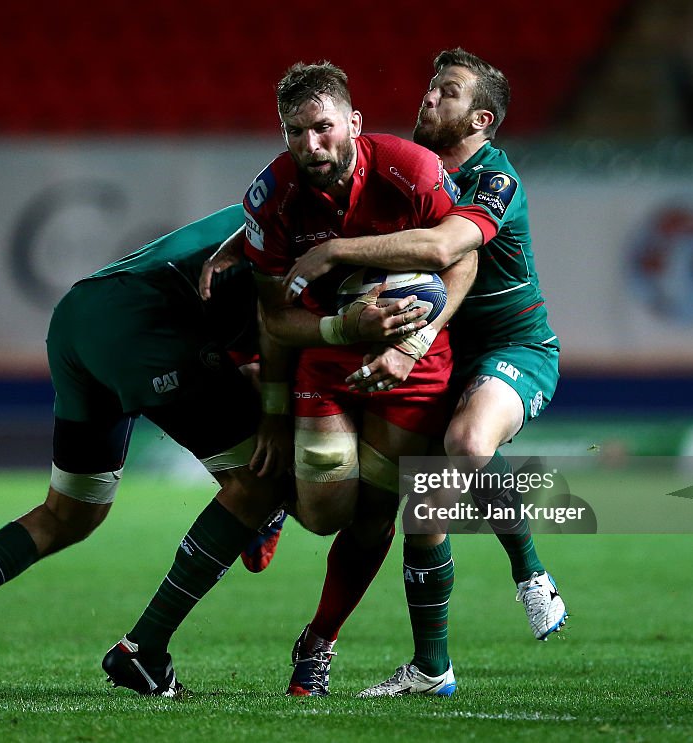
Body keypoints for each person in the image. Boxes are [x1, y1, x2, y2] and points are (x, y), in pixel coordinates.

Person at [0, 204, 292, 698]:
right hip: (144, 325)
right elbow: (275, 331)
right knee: (260, 482)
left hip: (81, 317)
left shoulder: (273, 201)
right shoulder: (318, 223)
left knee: (70, 513)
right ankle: (144, 650)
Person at [281, 49, 568, 697]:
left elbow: (444, 248)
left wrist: (334, 252)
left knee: (468, 443)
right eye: (430, 87)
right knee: (419, 508)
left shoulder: (497, 181)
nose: (429, 98)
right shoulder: (415, 172)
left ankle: (530, 573)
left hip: (514, 349)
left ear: (482, 119)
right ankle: (431, 668)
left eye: (448, 92)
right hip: (439, 355)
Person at [239, 61, 480, 697]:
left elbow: (462, 257)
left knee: (375, 515)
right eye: (295, 134)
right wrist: (336, 338)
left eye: (322, 128)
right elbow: (274, 317)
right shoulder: (273, 197)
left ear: (354, 122)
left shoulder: (412, 170)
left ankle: (318, 642)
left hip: (414, 367)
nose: (310, 146)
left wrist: (419, 339)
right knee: (324, 515)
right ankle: (284, 505)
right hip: (328, 359)